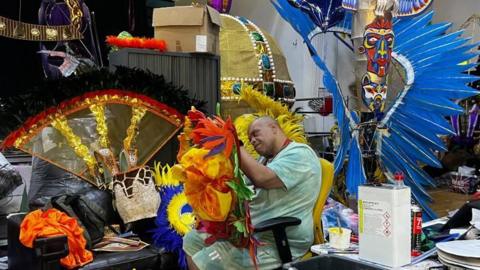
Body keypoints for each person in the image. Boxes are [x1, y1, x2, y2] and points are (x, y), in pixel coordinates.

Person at [183, 116, 322, 270]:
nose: (253, 141)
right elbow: (241, 188)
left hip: (275, 239)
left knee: (206, 260)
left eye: (256, 134)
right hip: (250, 233)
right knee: (192, 239)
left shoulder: (300, 153)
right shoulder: (265, 160)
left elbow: (262, 178)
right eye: (249, 139)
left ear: (274, 128)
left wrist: (233, 142)